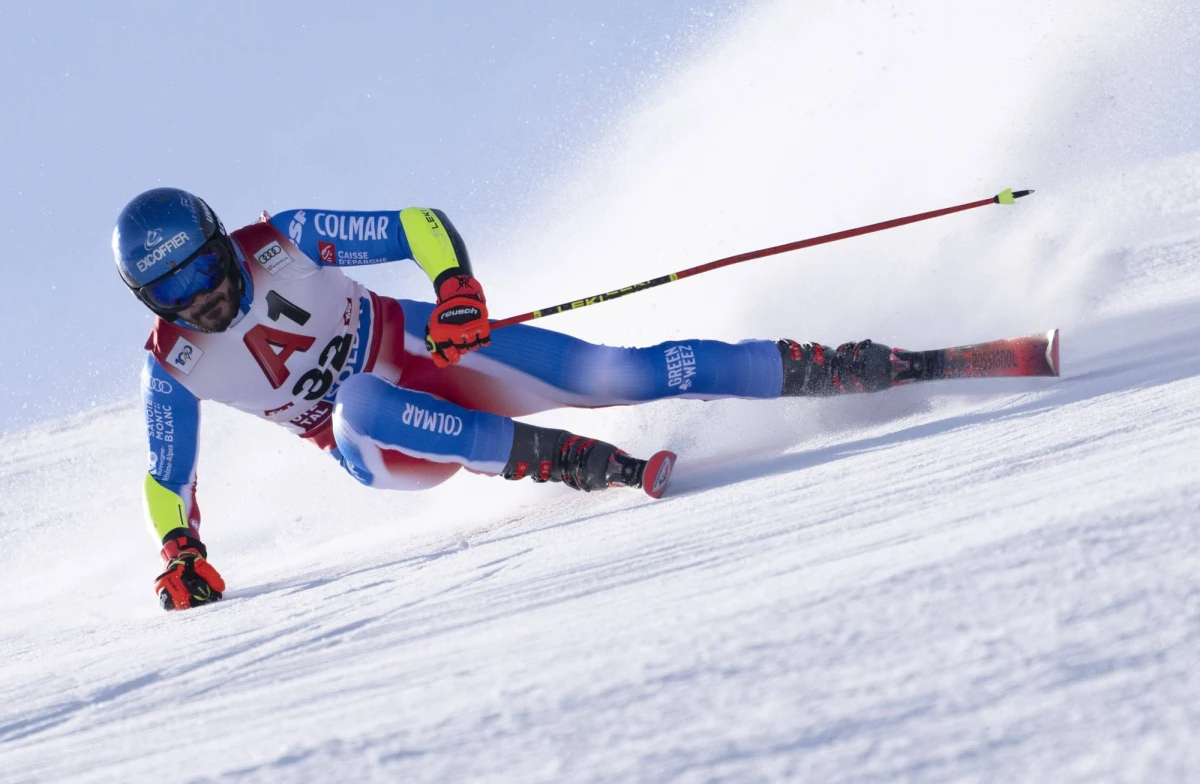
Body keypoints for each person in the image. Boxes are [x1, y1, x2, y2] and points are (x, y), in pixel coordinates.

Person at [115, 188, 896, 611]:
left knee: (617, 373)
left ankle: (831, 368)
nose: (202, 296)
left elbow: (415, 224)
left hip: (432, 350)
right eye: (173, 291)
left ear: (220, 241)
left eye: (202, 268)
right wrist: (180, 549)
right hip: (384, 442)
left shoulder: (285, 239)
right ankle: (561, 460)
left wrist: (454, 288)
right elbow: (165, 475)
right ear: (149, 301)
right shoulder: (173, 364)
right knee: (358, 400)